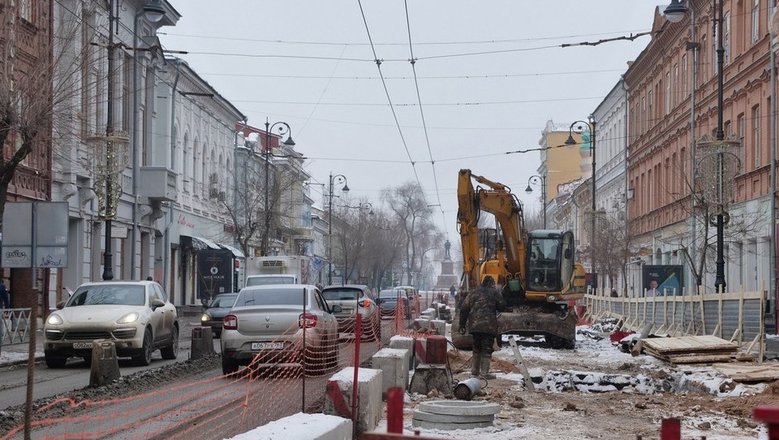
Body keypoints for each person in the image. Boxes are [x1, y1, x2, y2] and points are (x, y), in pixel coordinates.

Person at [458, 275, 505, 379]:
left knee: (476, 347)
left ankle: (474, 372)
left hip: (475, 326)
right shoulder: (494, 293)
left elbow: (464, 309)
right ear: (492, 284)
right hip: (488, 326)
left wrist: (462, 325)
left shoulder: (473, 292)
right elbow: (502, 306)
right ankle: (484, 373)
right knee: (487, 348)